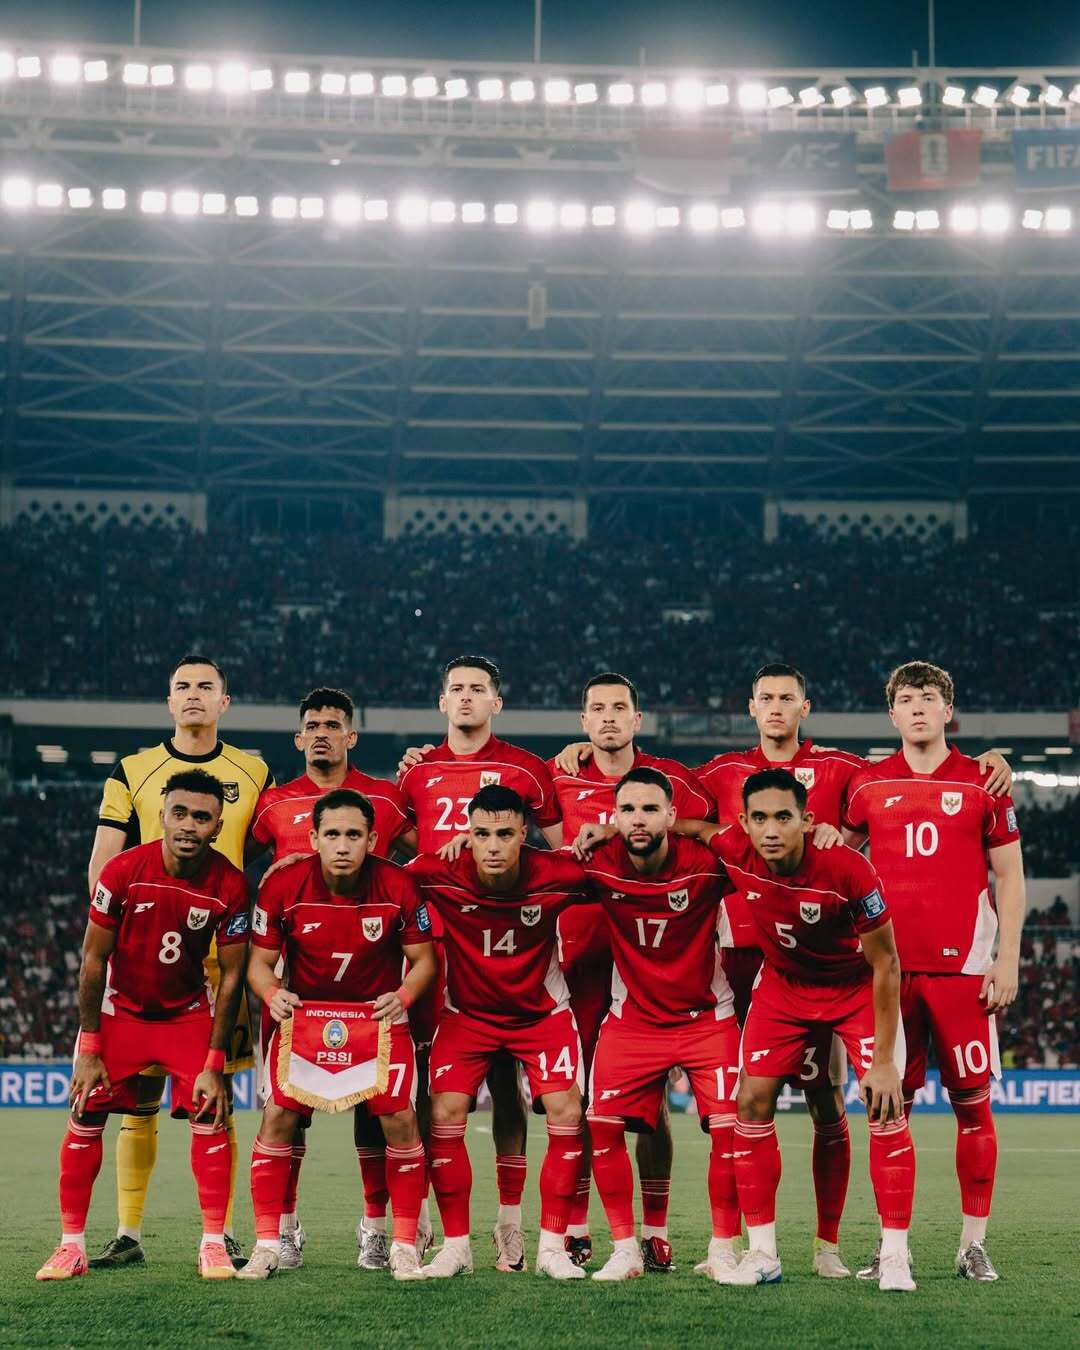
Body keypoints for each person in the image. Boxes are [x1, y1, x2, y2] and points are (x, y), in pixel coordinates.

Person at [86, 655, 271, 1270]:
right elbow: (104, 860)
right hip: (143, 960)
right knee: (136, 1099)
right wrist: (111, 935)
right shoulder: (132, 770)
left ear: (224, 702)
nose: (194, 695)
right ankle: (127, 1233)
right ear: (169, 701)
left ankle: (220, 1234)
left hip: (222, 962)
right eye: (182, 686)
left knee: (216, 1099)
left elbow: (270, 847)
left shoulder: (254, 771)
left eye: (206, 686)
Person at [698, 769, 916, 1292]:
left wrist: (884, 1062)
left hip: (853, 987)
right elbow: (692, 829)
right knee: (750, 1102)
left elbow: (887, 962)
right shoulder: (734, 848)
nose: (771, 830)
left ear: (807, 820)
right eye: (759, 818)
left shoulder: (848, 868)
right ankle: (763, 1254)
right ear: (744, 822)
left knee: (886, 1106)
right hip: (784, 987)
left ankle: (895, 1256)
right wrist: (612, 830)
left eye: (783, 817)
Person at [844, 661, 1025, 1283]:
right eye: (906, 698)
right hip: (886, 977)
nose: (918, 707)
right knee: (887, 1111)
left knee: (974, 1108)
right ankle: (891, 1244)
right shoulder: (867, 785)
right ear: (891, 713)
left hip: (964, 974)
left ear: (949, 710)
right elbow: (836, 862)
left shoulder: (983, 781)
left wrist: (1007, 958)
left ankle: (972, 1245)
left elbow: (1010, 875)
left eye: (929, 697)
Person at [37, 771, 249, 1281]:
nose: (189, 825)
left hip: (186, 1015)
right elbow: (93, 961)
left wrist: (215, 1061)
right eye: (180, 813)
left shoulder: (230, 884)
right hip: (120, 1013)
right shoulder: (123, 871)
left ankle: (213, 1245)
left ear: (218, 826)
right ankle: (70, 1246)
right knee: (85, 1112)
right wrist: (90, 1047)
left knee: (210, 1112)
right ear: (162, 815)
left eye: (202, 817)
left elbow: (233, 976)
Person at [396, 655, 563, 1272]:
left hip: (503, 945)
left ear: (497, 701)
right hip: (430, 948)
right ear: (442, 701)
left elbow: (559, 850)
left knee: (506, 1081)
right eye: (456, 689)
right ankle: (432, 1218)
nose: (466, 697)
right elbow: (400, 847)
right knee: (429, 1087)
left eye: (478, 689)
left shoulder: (528, 769)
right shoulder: (415, 773)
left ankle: (509, 1224)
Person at [550, 672, 714, 1272]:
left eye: (620, 708)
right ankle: (576, 1226)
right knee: (580, 1101)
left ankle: (656, 1230)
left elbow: (709, 834)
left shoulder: (674, 780)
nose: (609, 717)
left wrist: (620, 826)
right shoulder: (557, 776)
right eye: (597, 709)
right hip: (578, 959)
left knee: (652, 1105)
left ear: (637, 719)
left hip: (653, 962)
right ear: (583, 721)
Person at [249, 687, 416, 1270]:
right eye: (313, 725)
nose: (322, 733)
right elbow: (240, 866)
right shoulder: (272, 804)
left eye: (333, 724)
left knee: (378, 1112)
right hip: (299, 981)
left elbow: (426, 857)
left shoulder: (387, 798)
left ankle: (380, 1230)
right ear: (299, 738)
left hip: (374, 976)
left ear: (351, 735)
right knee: (287, 1113)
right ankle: (282, 1231)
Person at [408, 785, 589, 1280]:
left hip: (541, 1015)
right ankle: (456, 1248)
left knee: (567, 1111)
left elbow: (623, 875)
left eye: (505, 834)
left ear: (524, 834)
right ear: (467, 834)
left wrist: (605, 835)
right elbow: (380, 881)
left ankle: (550, 1247)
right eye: (482, 834)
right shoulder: (438, 870)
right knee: (444, 1112)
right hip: (467, 1015)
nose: (492, 846)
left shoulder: (558, 873)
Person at [575, 767, 741, 1283]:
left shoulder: (708, 866)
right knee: (602, 1126)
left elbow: (752, 846)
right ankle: (625, 1249)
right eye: (627, 810)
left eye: (650, 809)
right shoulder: (598, 864)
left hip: (707, 1018)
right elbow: (528, 870)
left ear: (671, 814)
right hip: (634, 1020)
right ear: (614, 816)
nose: (638, 819)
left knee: (731, 1134)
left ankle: (723, 1249)